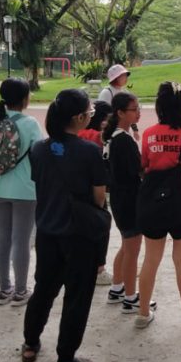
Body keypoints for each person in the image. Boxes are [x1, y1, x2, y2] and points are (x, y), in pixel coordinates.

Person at [21, 89, 107, 362]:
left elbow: (41, 184)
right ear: (79, 118)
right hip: (78, 233)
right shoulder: (90, 151)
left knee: (43, 289)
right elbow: (98, 197)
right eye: (89, 114)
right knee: (77, 296)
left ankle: (30, 344)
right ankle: (65, 360)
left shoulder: (38, 149)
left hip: (47, 230)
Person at [135, 81, 181, 330]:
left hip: (153, 202)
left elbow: (144, 167)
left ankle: (143, 314)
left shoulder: (148, 134)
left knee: (150, 259)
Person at [0, 78, 43, 307]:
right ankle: (20, 291)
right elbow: (39, 154)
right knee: (21, 240)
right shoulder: (30, 124)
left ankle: (3, 289)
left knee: (3, 239)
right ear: (25, 98)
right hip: (25, 189)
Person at [103, 92, 148, 313]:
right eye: (134, 109)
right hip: (129, 200)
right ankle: (130, 298)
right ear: (120, 113)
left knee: (126, 245)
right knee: (132, 250)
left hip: (120, 199)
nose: (138, 112)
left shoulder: (114, 136)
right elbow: (139, 170)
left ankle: (117, 287)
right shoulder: (123, 140)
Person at [77, 99, 115, 286]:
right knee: (101, 227)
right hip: (94, 188)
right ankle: (99, 268)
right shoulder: (97, 137)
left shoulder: (76, 132)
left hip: (74, 190)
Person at [98, 64, 139, 141]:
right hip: (110, 132)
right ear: (115, 78)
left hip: (123, 130)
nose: (126, 78)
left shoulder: (125, 92)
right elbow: (101, 114)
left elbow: (130, 111)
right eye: (123, 75)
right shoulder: (106, 93)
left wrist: (135, 130)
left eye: (126, 75)